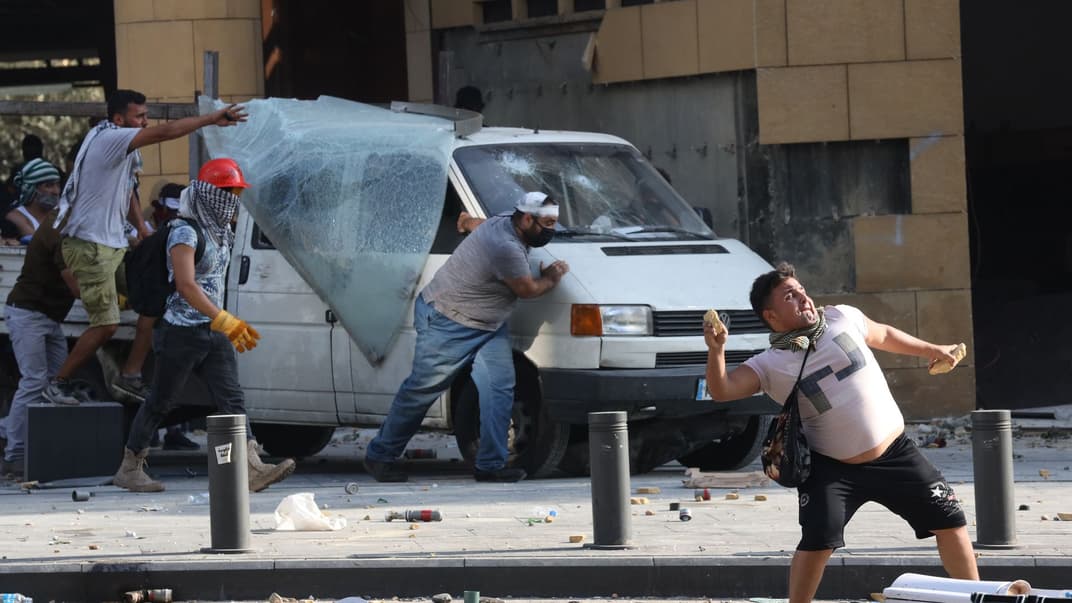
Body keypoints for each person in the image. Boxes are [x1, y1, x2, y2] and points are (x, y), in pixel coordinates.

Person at [702, 262, 978, 603]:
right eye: (791, 296)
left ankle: (977, 595)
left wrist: (932, 349)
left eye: (801, 289)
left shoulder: (840, 317)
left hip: (896, 454)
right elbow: (723, 390)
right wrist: (716, 351)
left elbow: (884, 334)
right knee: (818, 543)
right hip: (832, 469)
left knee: (951, 521)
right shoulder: (768, 364)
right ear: (771, 315)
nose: (803, 298)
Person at [42, 89, 247, 406]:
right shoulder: (110, 138)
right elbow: (164, 132)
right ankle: (58, 382)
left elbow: (127, 192)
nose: (145, 122)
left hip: (113, 247)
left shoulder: (120, 147)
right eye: (139, 117)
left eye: (146, 116)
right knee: (107, 324)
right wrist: (210, 119)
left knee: (155, 297)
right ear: (119, 119)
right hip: (90, 248)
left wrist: (141, 228)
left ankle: (132, 373)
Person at [113, 158, 294, 493]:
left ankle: (251, 467)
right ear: (210, 194)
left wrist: (221, 323)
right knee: (162, 401)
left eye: (237, 192)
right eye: (228, 192)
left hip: (212, 331)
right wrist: (223, 318)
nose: (234, 199)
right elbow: (185, 285)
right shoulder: (185, 231)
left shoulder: (220, 232)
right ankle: (130, 466)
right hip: (180, 331)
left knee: (232, 398)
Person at [363, 192, 570, 483]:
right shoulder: (506, 247)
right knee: (422, 390)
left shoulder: (501, 222)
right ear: (526, 218)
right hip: (449, 319)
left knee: (498, 387)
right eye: (547, 223)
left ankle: (490, 465)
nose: (551, 230)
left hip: (487, 323)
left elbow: (479, 224)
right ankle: (380, 456)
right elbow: (527, 290)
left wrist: (464, 222)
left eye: (554, 223)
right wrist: (552, 276)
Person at [0, 209, 79, 479]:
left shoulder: (70, 223)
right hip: (28, 312)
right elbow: (76, 286)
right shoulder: (61, 230)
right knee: (35, 381)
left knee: (52, 384)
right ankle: (15, 456)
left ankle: (29, 446)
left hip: (46, 316)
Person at [6, 159, 61, 241]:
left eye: (58, 185)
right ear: (32, 189)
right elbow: (41, 244)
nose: (56, 191)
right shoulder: (16, 216)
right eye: (49, 186)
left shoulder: (60, 214)